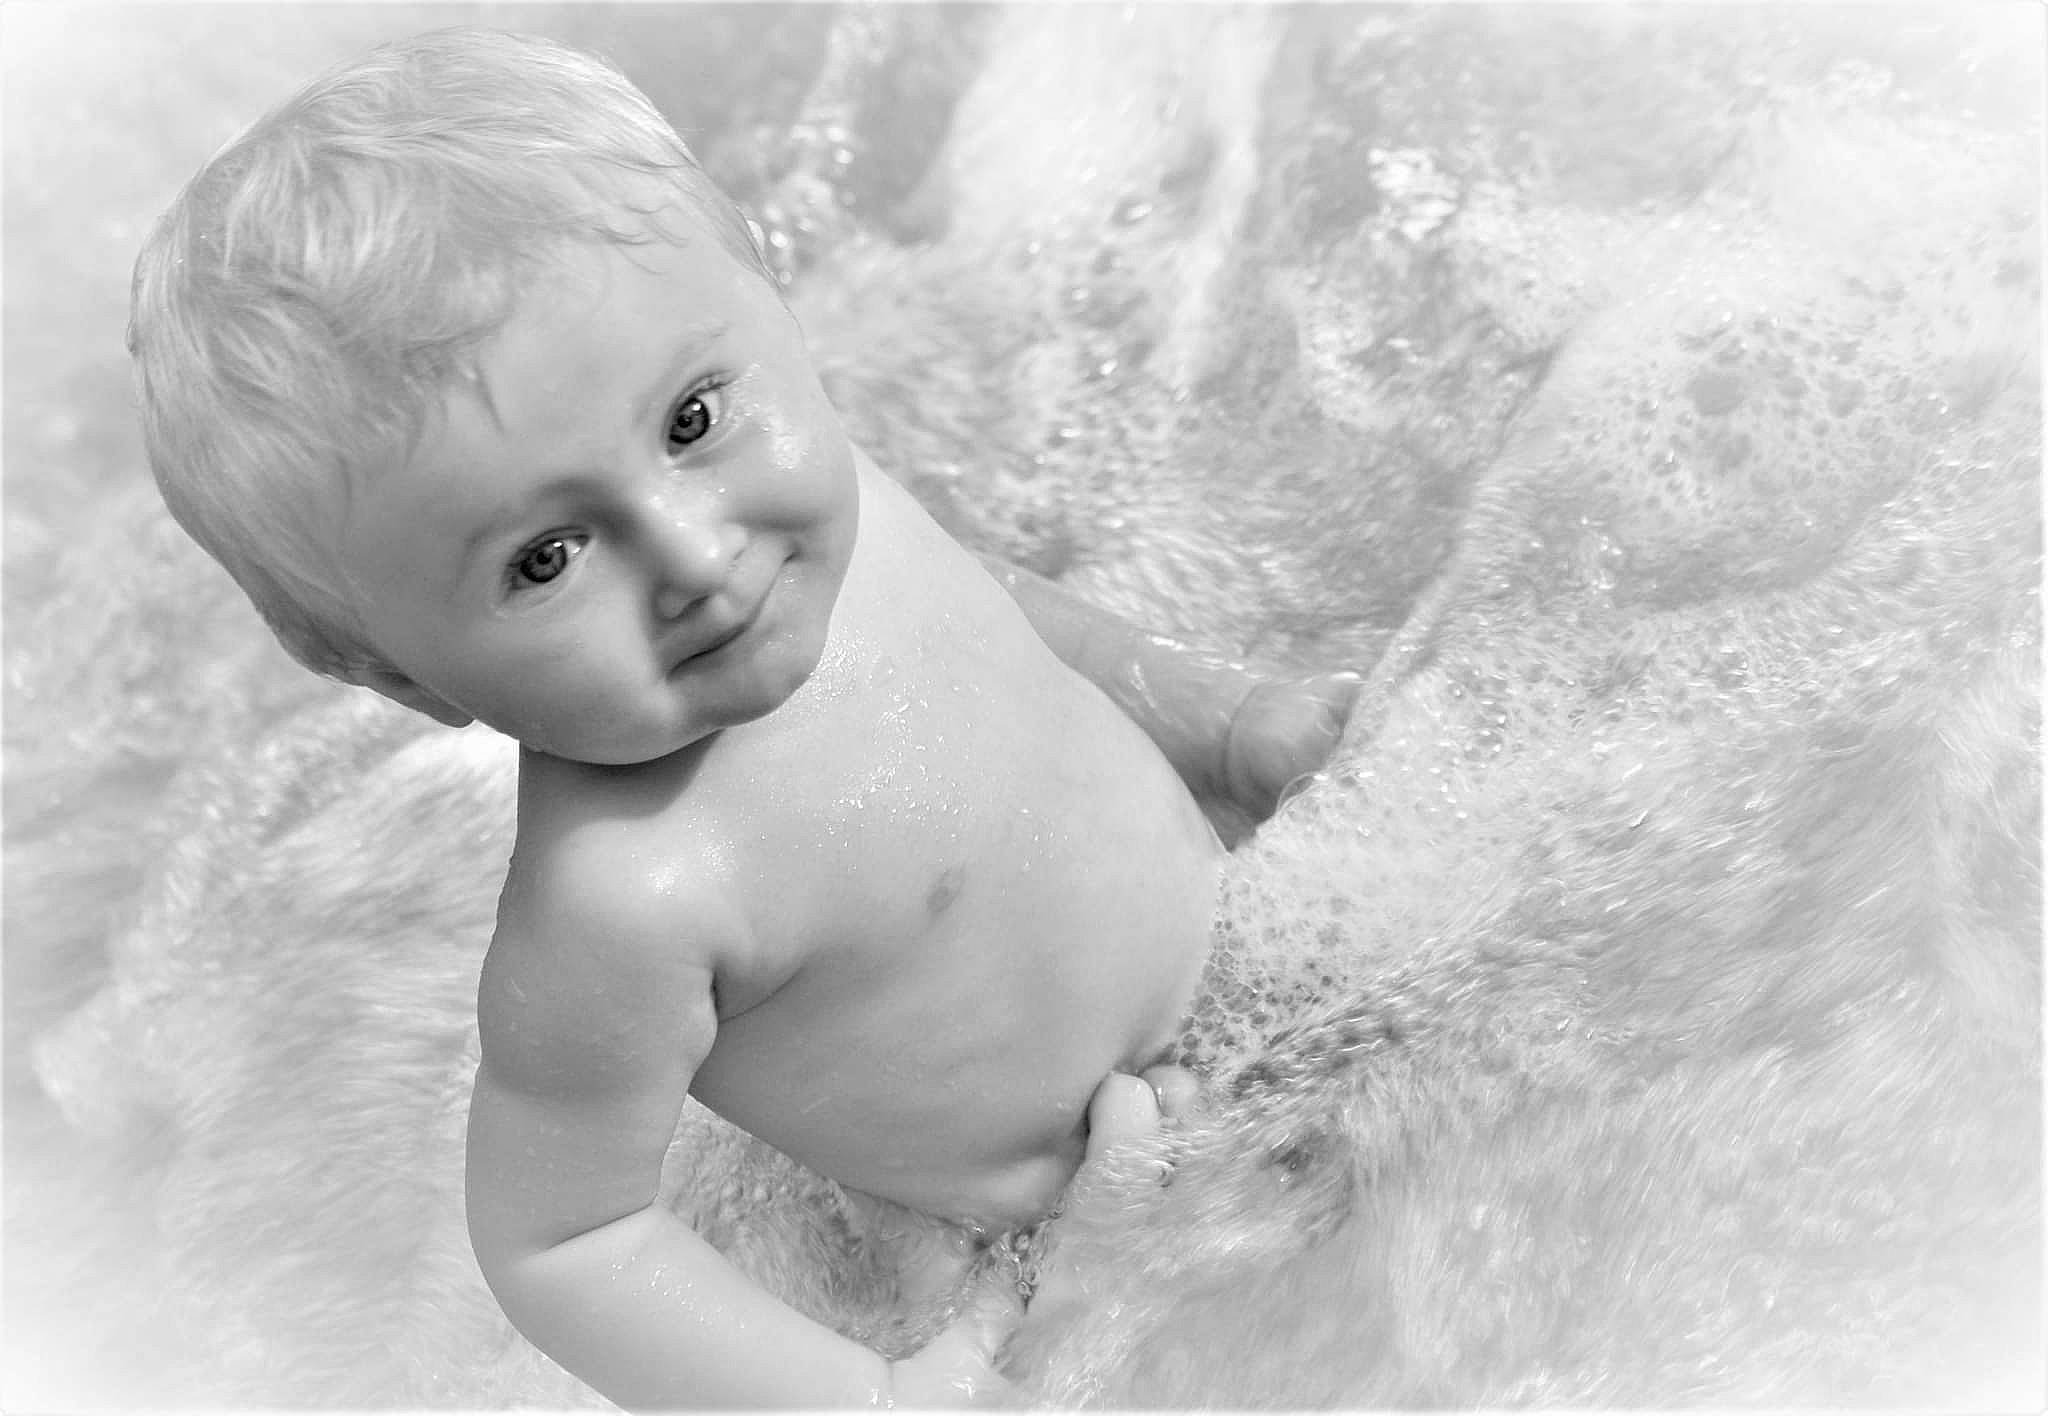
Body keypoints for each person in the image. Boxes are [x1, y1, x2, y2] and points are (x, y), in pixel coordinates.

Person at [127, 28, 1359, 1408]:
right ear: (399, 675)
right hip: (1091, 1221)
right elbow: (562, 1238)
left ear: (765, 291)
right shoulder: (624, 899)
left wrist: (1222, 722)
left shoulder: (837, 521)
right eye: (546, 559)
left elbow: (1011, 621)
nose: (698, 555)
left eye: (694, 419)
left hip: (1280, 964)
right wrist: (870, 1392)